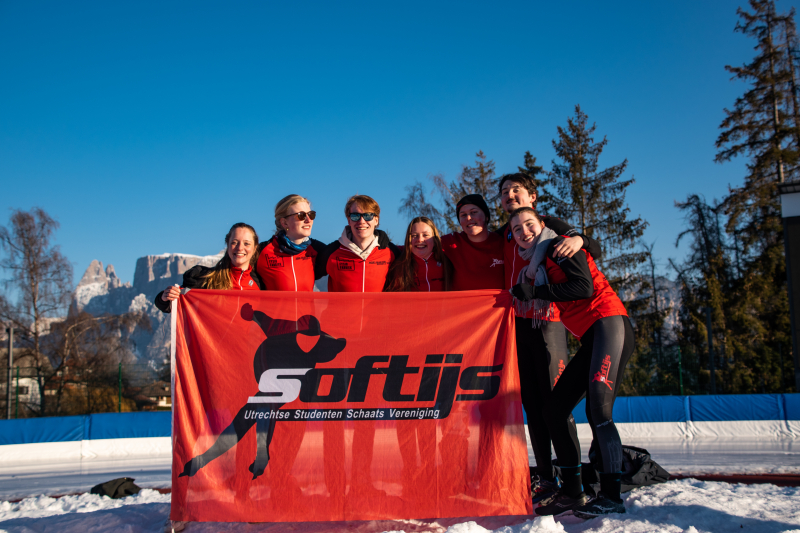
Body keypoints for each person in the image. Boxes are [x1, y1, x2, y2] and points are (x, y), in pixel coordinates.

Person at [509, 207, 633, 518]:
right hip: (592, 336)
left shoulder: (557, 246)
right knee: (554, 410)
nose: (524, 232)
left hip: (608, 324)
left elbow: (583, 286)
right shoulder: (536, 262)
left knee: (599, 411)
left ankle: (611, 496)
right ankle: (573, 493)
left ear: (542, 224)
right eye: (517, 229)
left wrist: (535, 292)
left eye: (529, 224)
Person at [496, 173, 601, 504]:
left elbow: (592, 246)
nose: (510, 195)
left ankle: (574, 482)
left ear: (533, 196)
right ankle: (545, 478)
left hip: (548, 323)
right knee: (532, 405)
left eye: (516, 190)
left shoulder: (547, 224)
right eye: (504, 192)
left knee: (555, 405)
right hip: (517, 326)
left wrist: (581, 239)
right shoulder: (506, 233)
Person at [154, 222, 263, 313]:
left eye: (246, 244)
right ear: (227, 245)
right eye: (234, 242)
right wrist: (165, 297)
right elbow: (172, 305)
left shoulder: (259, 284)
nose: (240, 248)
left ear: (254, 248)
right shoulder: (208, 278)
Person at [314, 194, 398, 291]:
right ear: (349, 220)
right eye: (355, 216)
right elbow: (304, 274)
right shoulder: (331, 252)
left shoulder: (391, 252)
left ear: (376, 220)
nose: (361, 221)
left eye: (368, 216)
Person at [255, 194, 324, 292]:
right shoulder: (262, 251)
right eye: (301, 216)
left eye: (311, 214)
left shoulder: (318, 250)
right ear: (284, 222)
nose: (308, 220)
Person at [440, 194, 505, 290]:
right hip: (462, 300)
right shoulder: (450, 241)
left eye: (474, 212)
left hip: (499, 300)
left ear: (486, 216)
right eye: (463, 215)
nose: (468, 218)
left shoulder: (503, 243)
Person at [385, 216, 452, 292]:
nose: (420, 240)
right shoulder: (399, 267)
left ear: (435, 239)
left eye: (425, 235)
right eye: (414, 235)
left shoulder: (447, 262)